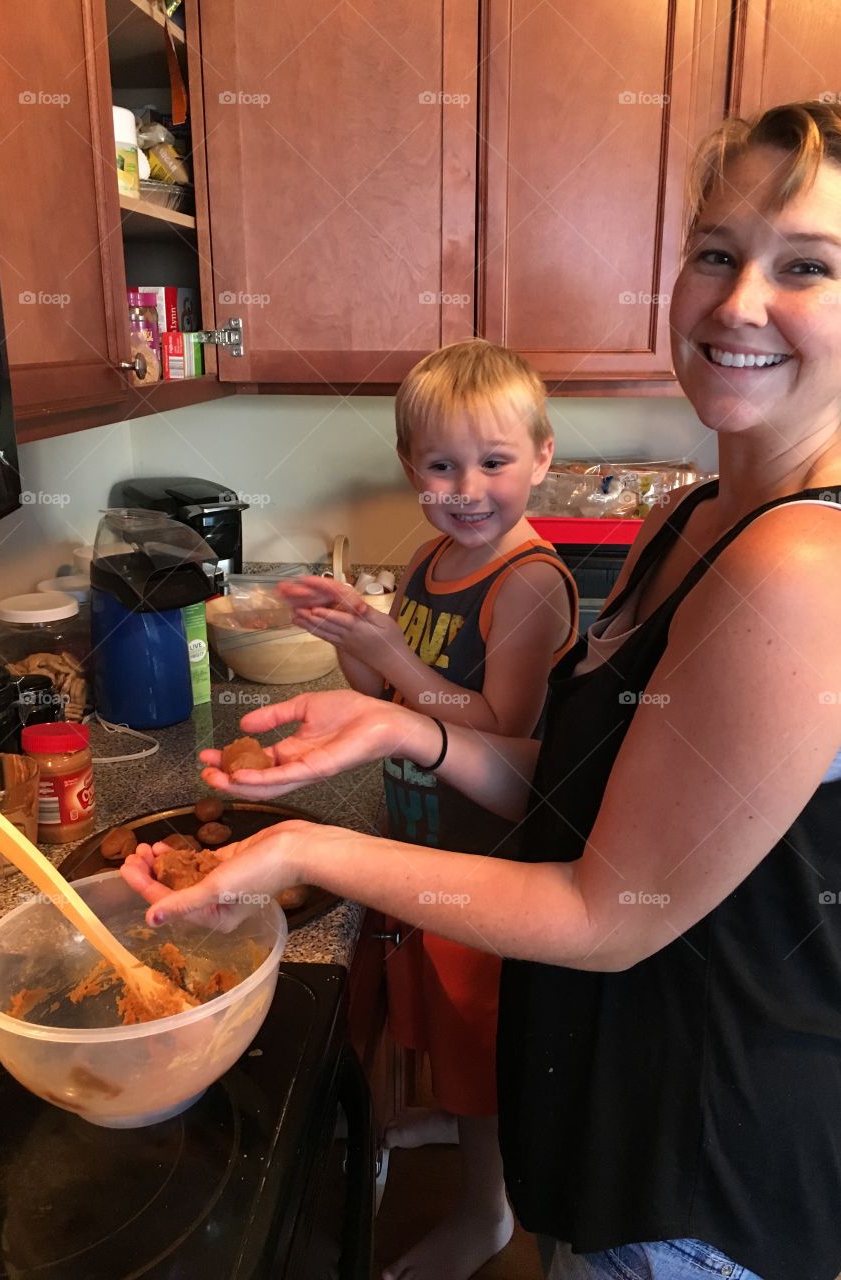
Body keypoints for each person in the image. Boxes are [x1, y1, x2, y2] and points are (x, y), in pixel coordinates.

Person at [125, 91, 841, 1280]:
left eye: (806, 265)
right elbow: (594, 797)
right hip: (603, 1124)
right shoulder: (688, 522)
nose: (740, 301)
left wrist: (305, 855)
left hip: (694, 1180)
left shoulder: (810, 565)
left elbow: (606, 909)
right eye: (715, 251)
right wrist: (399, 719)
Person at [270, 338, 578, 1279]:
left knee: (480, 1049)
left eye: (493, 462)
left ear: (543, 457)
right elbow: (385, 695)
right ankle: (455, 1125)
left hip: (489, 867)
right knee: (446, 1027)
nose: (467, 488)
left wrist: (398, 664)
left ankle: (486, 1213)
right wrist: (355, 633)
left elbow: (496, 729)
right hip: (426, 843)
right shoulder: (434, 561)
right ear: (412, 469)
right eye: (441, 466)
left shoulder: (526, 581)